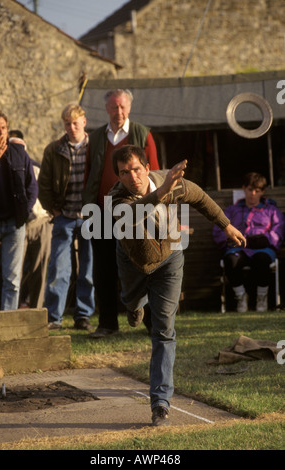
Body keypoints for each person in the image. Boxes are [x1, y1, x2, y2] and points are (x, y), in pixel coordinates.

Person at [107, 144, 246, 426]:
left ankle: (160, 404)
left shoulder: (170, 182)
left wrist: (226, 225)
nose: (132, 176)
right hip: (134, 265)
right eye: (124, 172)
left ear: (146, 168)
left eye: (136, 168)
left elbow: (201, 198)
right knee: (132, 304)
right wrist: (161, 193)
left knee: (164, 331)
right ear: (118, 177)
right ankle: (134, 306)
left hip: (169, 261)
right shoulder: (116, 199)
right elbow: (134, 213)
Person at [82, 89, 159, 338]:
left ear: (129, 108)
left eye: (123, 107)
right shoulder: (94, 138)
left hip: (135, 212)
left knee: (141, 265)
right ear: (106, 109)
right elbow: (89, 175)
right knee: (103, 269)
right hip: (102, 212)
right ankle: (107, 324)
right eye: (114, 107)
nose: (119, 112)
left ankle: (151, 324)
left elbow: (156, 172)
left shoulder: (142, 134)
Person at [38, 104, 95, 330]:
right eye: (67, 123)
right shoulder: (54, 149)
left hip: (91, 216)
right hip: (64, 215)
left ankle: (83, 315)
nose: (71, 127)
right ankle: (54, 317)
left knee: (88, 268)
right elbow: (43, 184)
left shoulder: (95, 146)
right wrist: (54, 210)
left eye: (75, 122)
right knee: (59, 268)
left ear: (84, 122)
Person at [0, 109, 38, 310]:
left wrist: (25, 210)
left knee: (13, 279)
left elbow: (32, 186)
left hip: (14, 223)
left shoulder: (18, 153)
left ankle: (8, 326)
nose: (0, 133)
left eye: (3, 128)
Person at [213, 172, 285, 313]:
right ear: (243, 189)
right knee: (231, 261)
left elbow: (279, 231)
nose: (252, 194)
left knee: (262, 260)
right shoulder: (232, 210)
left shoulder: (272, 211)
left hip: (263, 248)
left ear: (262, 192)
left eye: (257, 191)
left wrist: (265, 240)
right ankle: (241, 297)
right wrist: (230, 241)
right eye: (249, 190)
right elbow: (220, 229)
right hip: (238, 248)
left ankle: (262, 298)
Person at [8, 130, 52, 309]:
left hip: (41, 221)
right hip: (17, 224)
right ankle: (11, 310)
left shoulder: (37, 167)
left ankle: (37, 311)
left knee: (39, 270)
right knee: (13, 271)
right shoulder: (2, 169)